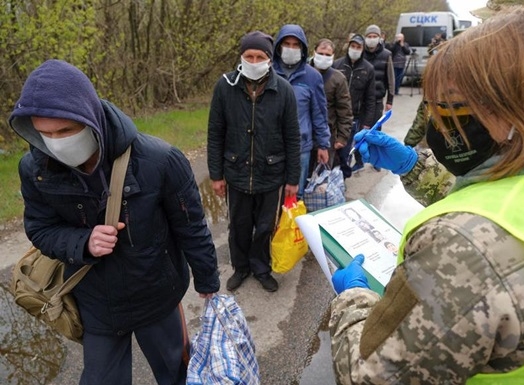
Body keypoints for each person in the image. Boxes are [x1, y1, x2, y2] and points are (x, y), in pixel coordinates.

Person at [330, 3, 524, 383]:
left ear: (513, 105)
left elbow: (368, 377)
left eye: (453, 106)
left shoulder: (461, 250)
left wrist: (353, 300)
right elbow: (510, 205)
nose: (440, 121)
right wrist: (414, 166)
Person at [9, 59, 220, 385]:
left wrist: (208, 282)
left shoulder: (159, 159)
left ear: (89, 117)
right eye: (45, 134)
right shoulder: (35, 168)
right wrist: (83, 242)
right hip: (98, 304)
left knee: (177, 374)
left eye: (65, 131)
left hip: (157, 297)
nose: (56, 143)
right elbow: (39, 228)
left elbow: (191, 226)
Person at [207, 31, 301, 293]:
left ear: (269, 60)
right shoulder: (225, 86)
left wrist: (293, 179)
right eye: (249, 55)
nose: (254, 60)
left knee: (264, 226)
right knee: (238, 225)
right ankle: (241, 267)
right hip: (236, 171)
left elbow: (293, 137)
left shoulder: (283, 90)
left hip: (271, 173)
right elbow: (215, 132)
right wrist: (216, 174)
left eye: (260, 56)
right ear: (241, 56)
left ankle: (261, 267)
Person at [272, 24, 331, 198]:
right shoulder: (267, 73)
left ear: (303, 48)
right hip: (271, 147)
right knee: (271, 195)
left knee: (294, 194)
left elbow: (319, 113)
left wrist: (322, 144)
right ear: (278, 47)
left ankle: (292, 225)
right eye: (287, 44)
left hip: (301, 147)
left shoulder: (312, 76)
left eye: (295, 45)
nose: (291, 49)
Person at [332, 33, 376, 176]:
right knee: (331, 151)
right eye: (353, 46)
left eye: (358, 47)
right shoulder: (337, 64)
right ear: (348, 46)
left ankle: (342, 180)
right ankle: (329, 181)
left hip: (354, 119)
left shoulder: (368, 69)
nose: (355, 49)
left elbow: (370, 98)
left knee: (345, 154)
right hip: (334, 117)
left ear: (363, 49)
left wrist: (367, 122)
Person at [309, 38, 353, 172]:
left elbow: (345, 110)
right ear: (314, 52)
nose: (324, 57)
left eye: (328, 55)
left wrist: (342, 137)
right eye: (321, 53)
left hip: (327, 135)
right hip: (303, 133)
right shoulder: (303, 73)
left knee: (321, 180)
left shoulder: (338, 78)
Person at [362, 24, 395, 132]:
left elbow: (391, 79)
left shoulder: (386, 55)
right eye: (369, 36)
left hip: (377, 99)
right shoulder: (360, 53)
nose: (372, 39)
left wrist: (390, 100)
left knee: (375, 129)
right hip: (361, 99)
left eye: (374, 36)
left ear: (379, 37)